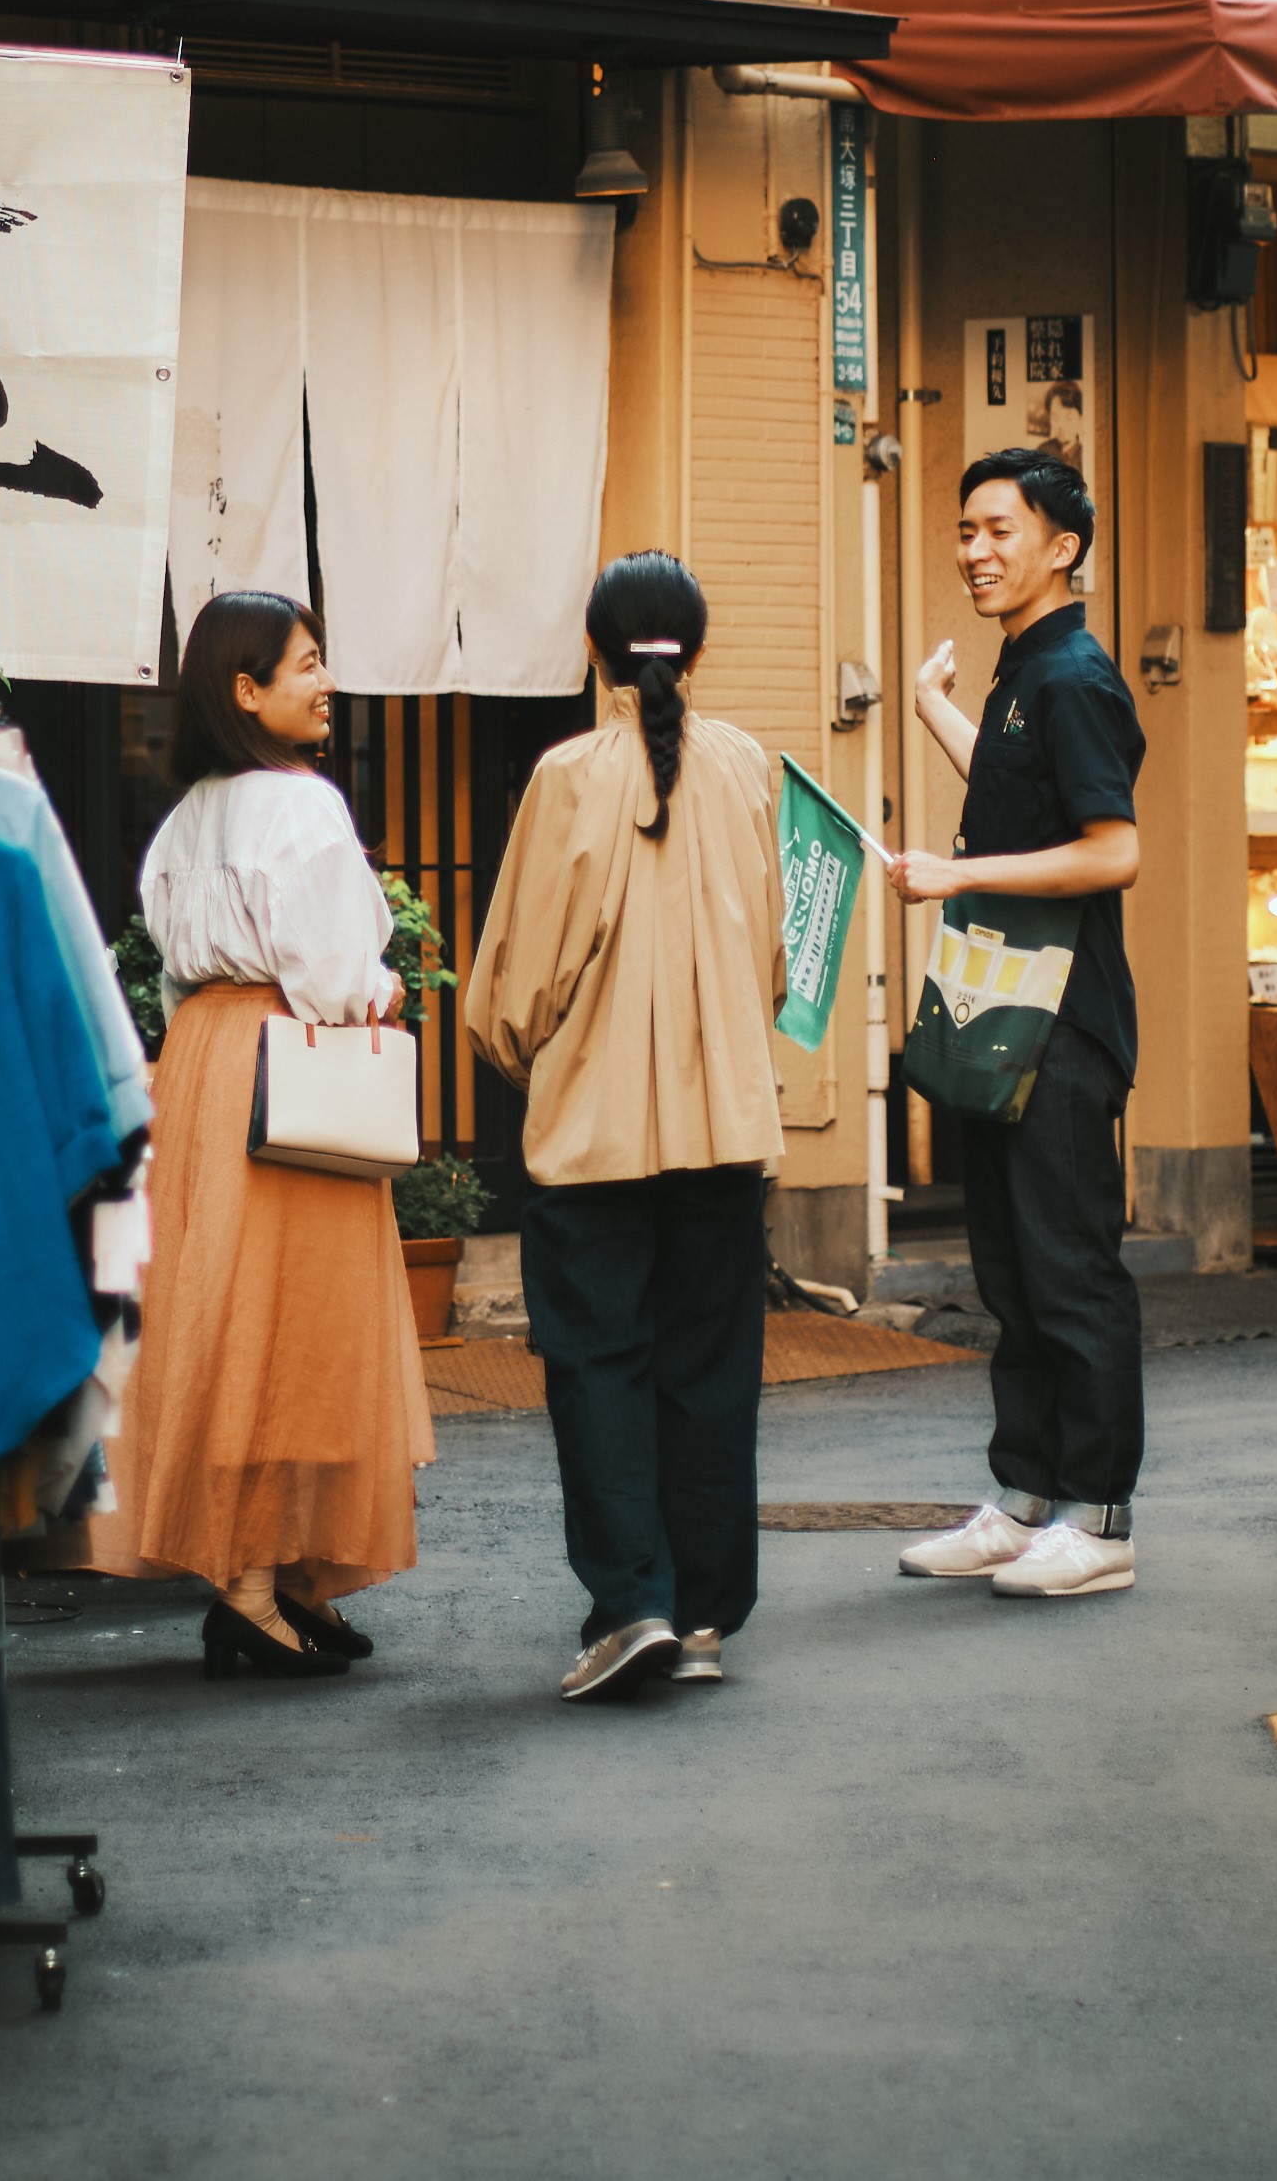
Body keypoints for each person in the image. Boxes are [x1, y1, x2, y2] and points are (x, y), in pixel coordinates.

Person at [462, 553, 786, 1703]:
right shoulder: (750, 766)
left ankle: (630, 1602)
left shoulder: (565, 775)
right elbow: (773, 957)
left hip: (590, 1131)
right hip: (727, 1122)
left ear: (592, 651)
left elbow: (513, 980)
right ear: (694, 652)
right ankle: (700, 1614)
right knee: (709, 1372)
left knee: (597, 1363)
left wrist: (520, 1056)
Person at [96, 590, 438, 1677]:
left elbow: (176, 961)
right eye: (305, 664)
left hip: (201, 1063)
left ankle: (272, 1576)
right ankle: (259, 1581)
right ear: (246, 689)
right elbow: (335, 976)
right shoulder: (302, 806)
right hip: (287, 1068)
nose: (325, 680)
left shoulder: (188, 812)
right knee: (299, 1327)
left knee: (224, 1314)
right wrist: (381, 985)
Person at [885, 448, 1149, 1601]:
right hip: (1005, 1010)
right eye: (965, 530)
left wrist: (954, 873)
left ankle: (1098, 1518)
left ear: (1062, 546)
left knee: (1068, 1268)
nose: (974, 551)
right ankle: (1026, 1499)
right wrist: (937, 710)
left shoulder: (1074, 674)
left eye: (999, 530)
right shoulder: (1022, 671)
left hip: (1061, 1022)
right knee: (1009, 1269)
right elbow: (1015, 789)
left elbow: (1111, 848)